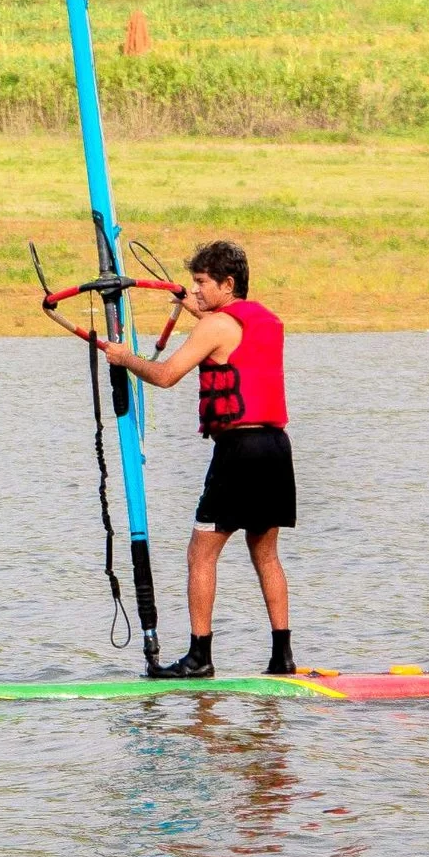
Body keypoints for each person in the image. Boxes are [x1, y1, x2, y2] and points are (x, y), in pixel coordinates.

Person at [91, 239, 296, 679]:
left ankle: (199, 658)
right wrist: (193, 307)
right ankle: (282, 658)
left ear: (227, 282)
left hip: (238, 452)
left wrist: (126, 358)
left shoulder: (214, 326)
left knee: (200, 555)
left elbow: (165, 376)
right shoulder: (264, 320)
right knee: (266, 554)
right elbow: (224, 331)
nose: (196, 290)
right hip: (276, 449)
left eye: (202, 283)